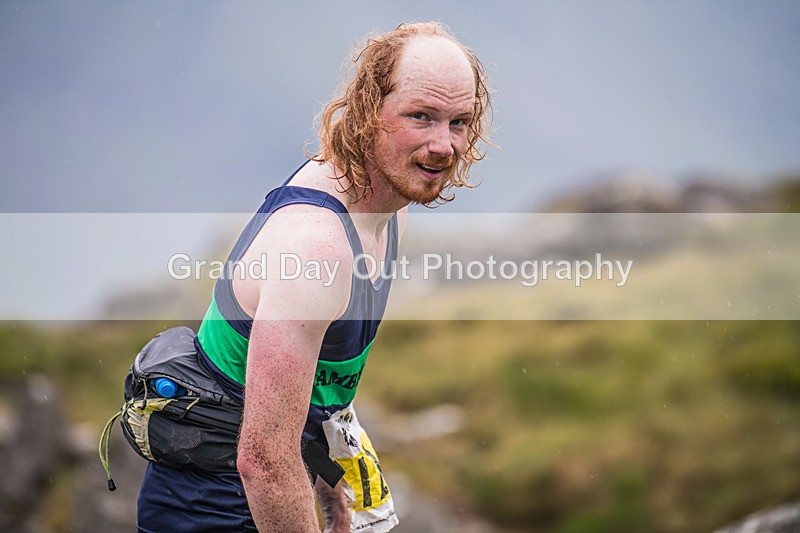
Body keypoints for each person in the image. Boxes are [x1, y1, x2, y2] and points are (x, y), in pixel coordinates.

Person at [136, 21, 491, 533]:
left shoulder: (390, 203)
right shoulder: (317, 248)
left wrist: (329, 485)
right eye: (421, 116)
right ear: (371, 111)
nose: (443, 145)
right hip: (213, 508)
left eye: (459, 122)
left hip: (272, 484)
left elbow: (316, 389)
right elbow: (263, 463)